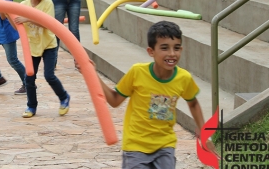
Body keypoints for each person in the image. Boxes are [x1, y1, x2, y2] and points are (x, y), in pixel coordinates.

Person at [92, 21, 215, 168]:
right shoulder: (137, 72)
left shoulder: (184, 78)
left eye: (176, 48)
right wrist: (92, 74)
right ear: (151, 51)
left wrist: (204, 133)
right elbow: (114, 100)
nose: (172, 54)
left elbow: (193, 103)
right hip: (135, 146)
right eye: (164, 48)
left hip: (165, 146)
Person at [14, 0, 70, 118]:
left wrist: (27, 18)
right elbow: (18, 26)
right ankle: (31, 106)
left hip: (48, 45)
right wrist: (11, 17)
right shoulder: (23, 5)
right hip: (32, 47)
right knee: (29, 78)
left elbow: (47, 24)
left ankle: (64, 97)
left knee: (49, 75)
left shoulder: (48, 4)